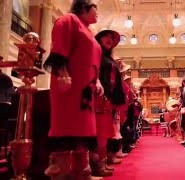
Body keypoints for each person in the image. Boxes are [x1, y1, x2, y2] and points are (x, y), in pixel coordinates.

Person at [43, 0, 109, 178]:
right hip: (69, 86)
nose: (98, 12)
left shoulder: (88, 30)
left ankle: (82, 171)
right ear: (84, 6)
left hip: (86, 90)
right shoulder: (68, 20)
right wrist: (63, 73)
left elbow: (93, 62)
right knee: (66, 125)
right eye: (96, 7)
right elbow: (59, 49)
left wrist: (98, 82)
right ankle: (60, 171)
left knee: (84, 130)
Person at [94, 29, 127, 166]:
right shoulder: (97, 54)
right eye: (106, 37)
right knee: (101, 129)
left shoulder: (108, 57)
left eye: (111, 38)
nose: (109, 39)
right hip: (100, 95)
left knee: (107, 129)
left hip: (110, 98)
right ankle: (99, 162)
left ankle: (105, 158)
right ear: (99, 39)